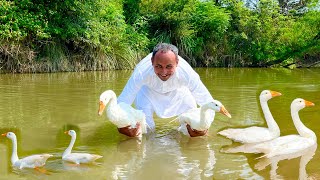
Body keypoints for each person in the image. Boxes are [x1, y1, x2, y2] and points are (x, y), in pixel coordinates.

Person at [117, 43, 214, 137]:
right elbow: (123, 103)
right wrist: (122, 125)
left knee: (190, 127)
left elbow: (208, 102)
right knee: (144, 131)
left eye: (169, 66)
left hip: (179, 92)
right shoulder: (140, 73)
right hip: (147, 93)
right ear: (152, 62)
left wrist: (204, 127)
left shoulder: (187, 74)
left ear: (177, 63)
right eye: (158, 66)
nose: (164, 72)